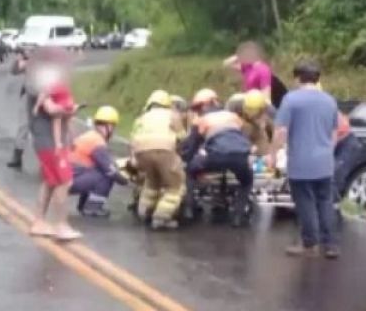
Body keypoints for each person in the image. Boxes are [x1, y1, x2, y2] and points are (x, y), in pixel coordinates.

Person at [271, 60, 341, 259]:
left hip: (301, 162)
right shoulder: (330, 100)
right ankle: (330, 245)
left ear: (297, 78)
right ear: (317, 79)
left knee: (305, 202)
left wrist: (273, 154)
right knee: (325, 202)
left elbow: (281, 131)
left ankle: (310, 243)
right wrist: (327, 151)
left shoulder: (291, 100)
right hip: (325, 162)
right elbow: (335, 132)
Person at [29, 49, 81, 241]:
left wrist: (72, 136)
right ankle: (61, 224)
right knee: (63, 181)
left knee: (50, 181)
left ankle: (39, 222)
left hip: (54, 140)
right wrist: (69, 110)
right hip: (48, 140)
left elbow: (63, 114)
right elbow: (52, 110)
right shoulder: (39, 84)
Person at [186, 104, 255, 227]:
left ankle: (189, 208)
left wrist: (189, 161)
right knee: (247, 181)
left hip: (216, 155)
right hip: (239, 155)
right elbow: (243, 136)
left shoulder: (203, 120)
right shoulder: (233, 117)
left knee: (190, 172)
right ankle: (238, 216)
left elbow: (193, 145)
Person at [130, 90, 187, 230]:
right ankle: (161, 218)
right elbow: (183, 138)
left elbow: (132, 139)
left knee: (152, 183)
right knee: (174, 186)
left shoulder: (141, 118)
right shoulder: (173, 115)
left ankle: (144, 212)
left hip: (141, 152)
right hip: (165, 150)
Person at [69, 106, 128, 217]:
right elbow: (110, 170)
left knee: (96, 171)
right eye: (113, 127)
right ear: (109, 126)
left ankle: (84, 205)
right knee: (106, 176)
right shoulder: (97, 142)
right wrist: (125, 181)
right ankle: (93, 208)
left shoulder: (90, 136)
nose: (113, 131)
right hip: (71, 180)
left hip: (69, 177)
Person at [7, 49, 31, 169]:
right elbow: (14, 71)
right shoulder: (29, 63)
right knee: (23, 126)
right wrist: (18, 59)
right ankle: (17, 156)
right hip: (29, 96)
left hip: (46, 96)